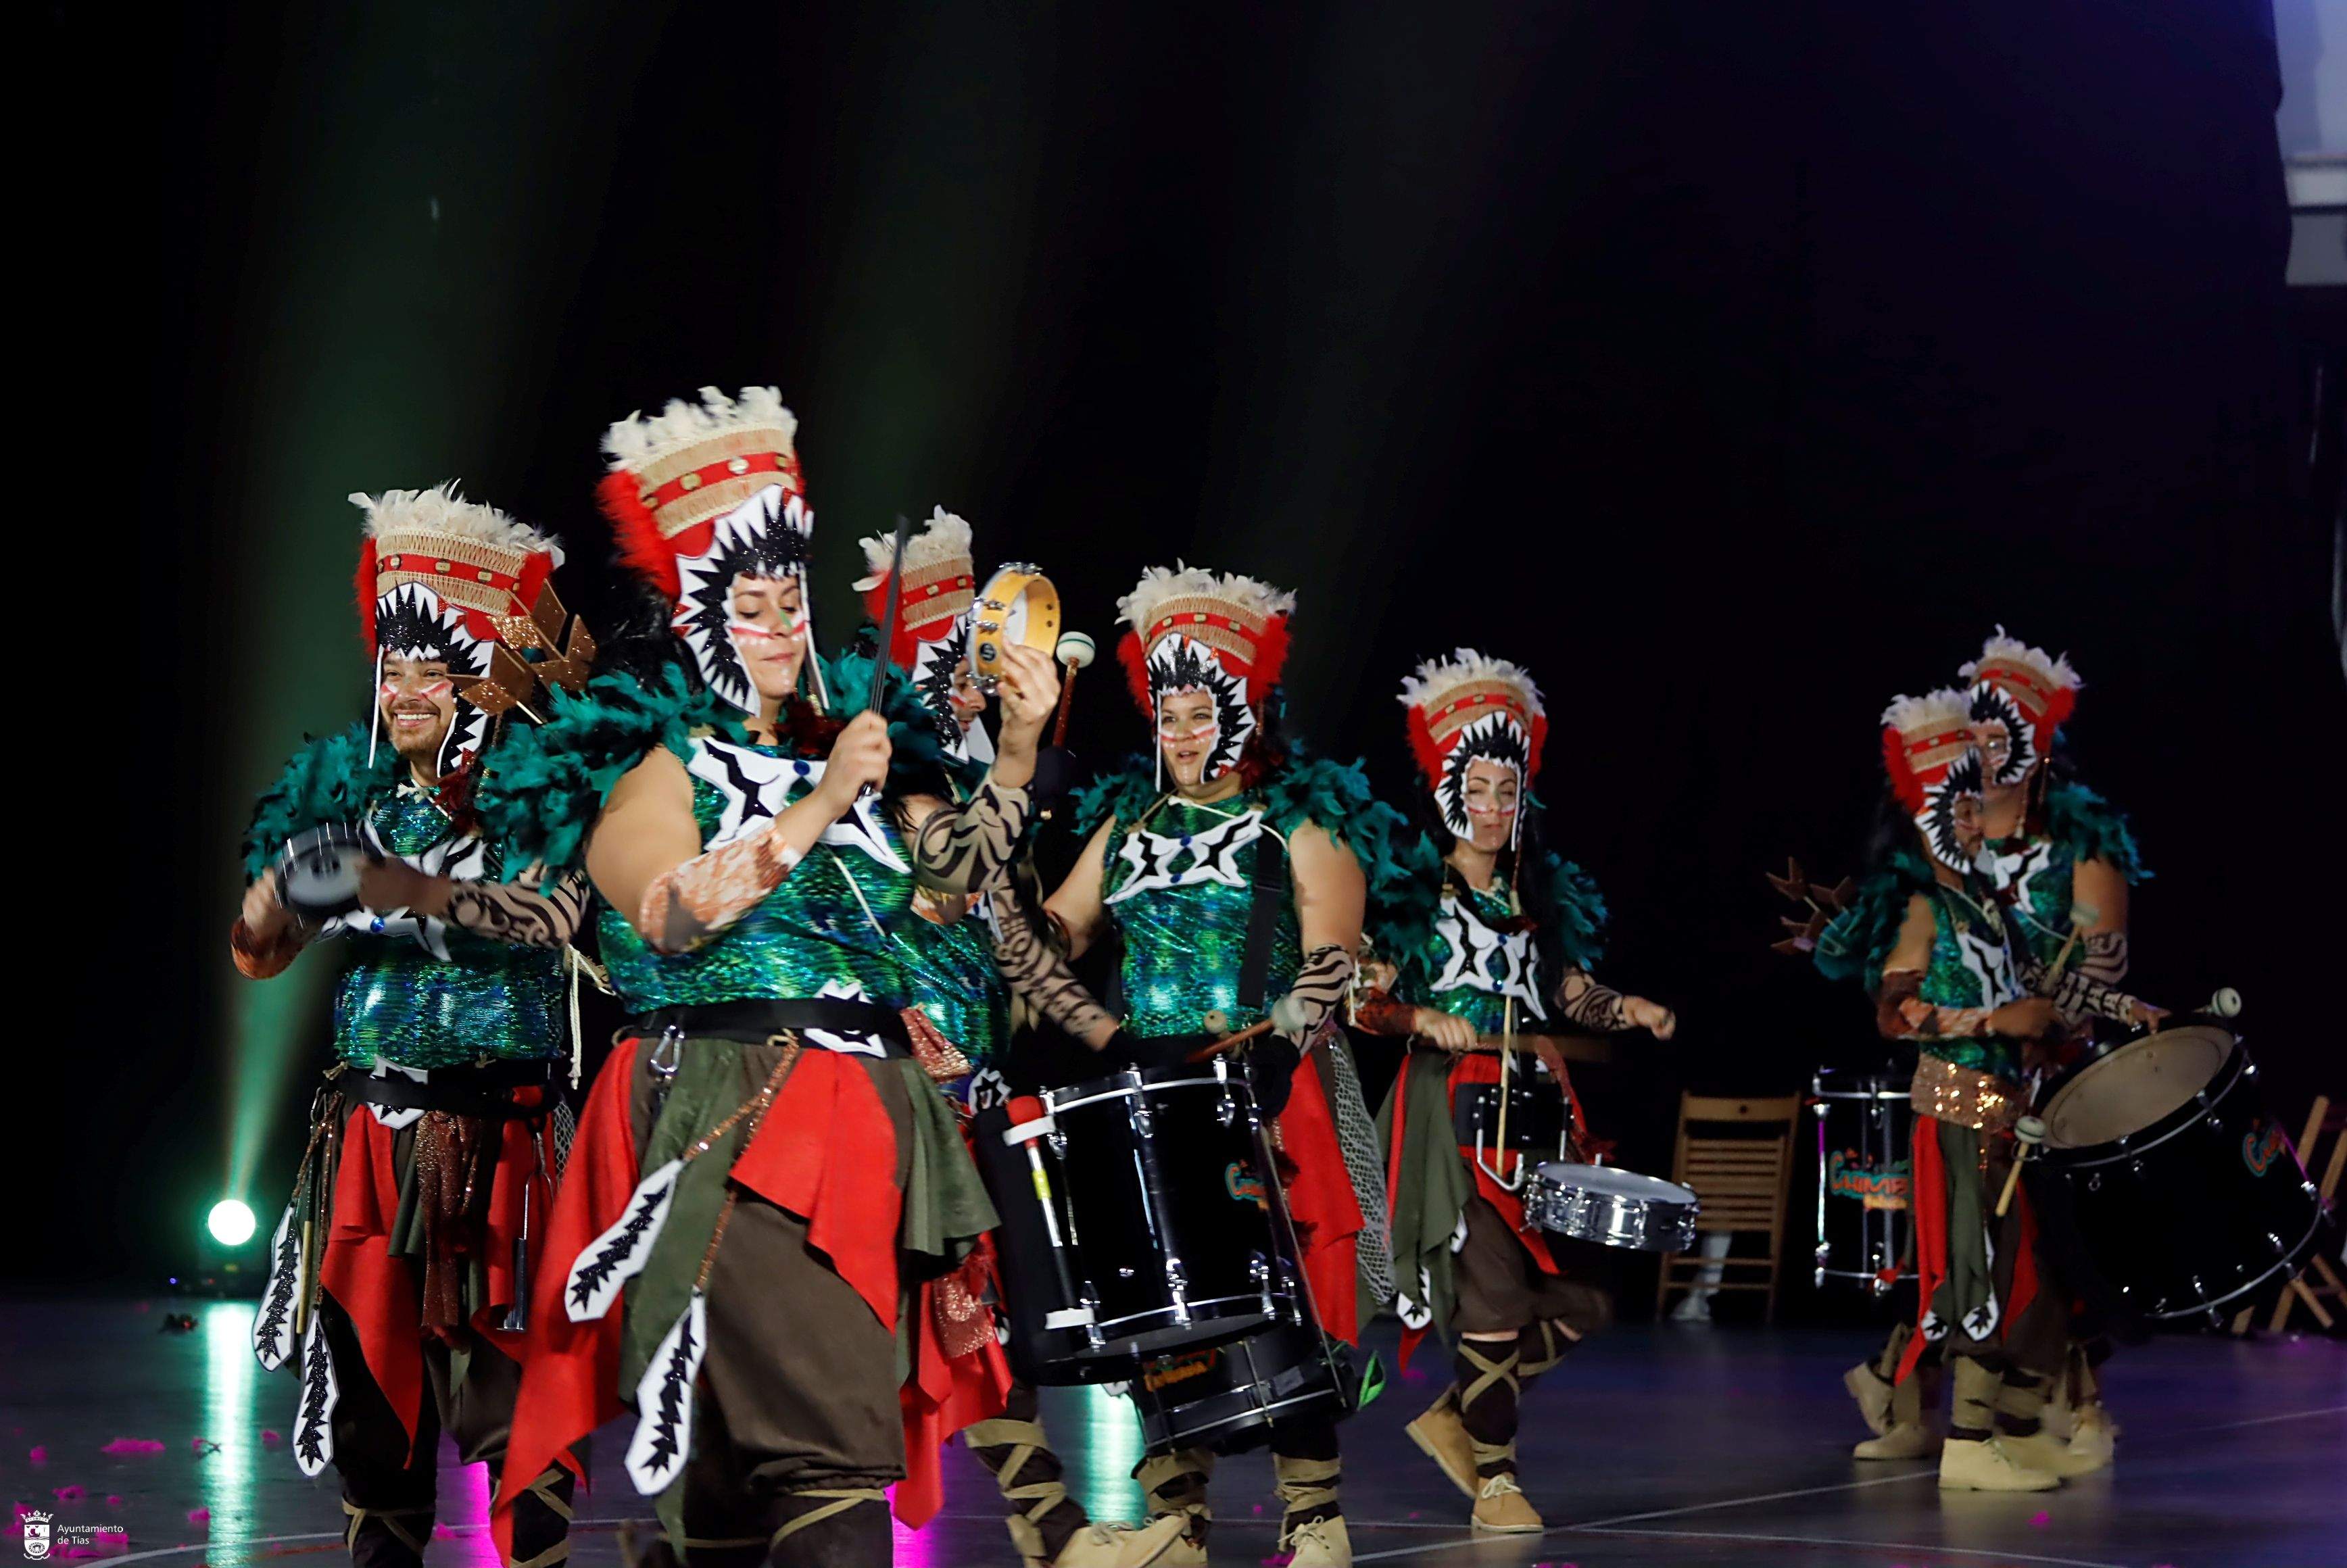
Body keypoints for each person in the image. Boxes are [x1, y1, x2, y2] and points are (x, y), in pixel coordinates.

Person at [479, 388, 1045, 1567]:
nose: (785, 626)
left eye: (793, 601)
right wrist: (824, 801)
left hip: (875, 1113)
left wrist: (1022, 749)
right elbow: (670, 914)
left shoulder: (868, 753)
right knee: (828, 1461)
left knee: (736, 1489)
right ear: (698, 618)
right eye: (752, 604)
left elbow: (951, 886)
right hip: (728, 1104)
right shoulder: (653, 767)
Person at [987, 565, 1405, 1568]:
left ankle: (1314, 1513)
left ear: (1240, 717)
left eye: (1192, 715)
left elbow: (1328, 965)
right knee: (1160, 1296)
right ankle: (1179, 1509)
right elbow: (1060, 932)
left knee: (1281, 1293)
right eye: (1163, 716)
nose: (1175, 735)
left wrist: (1268, 1070)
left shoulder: (1299, 831)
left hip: (1270, 1078)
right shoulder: (1126, 832)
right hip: (1150, 1082)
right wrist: (1004, 889)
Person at [234, 485, 585, 1568]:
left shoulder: (545, 797)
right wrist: (288, 888)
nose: (403, 689)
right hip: (370, 1147)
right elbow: (254, 954)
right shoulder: (353, 805)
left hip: (509, 1144)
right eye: (391, 668)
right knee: (374, 1433)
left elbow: (557, 916)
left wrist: (406, 890)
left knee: (523, 1426)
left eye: (429, 668)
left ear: (478, 682)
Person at [1351, 650, 1674, 1534]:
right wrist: (1419, 1021)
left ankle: (1458, 1416)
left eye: (1508, 790)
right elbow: (1361, 999)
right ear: (1450, 791)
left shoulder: (1536, 894)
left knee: (1588, 1302)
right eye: (1479, 788)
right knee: (1491, 1297)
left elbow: (1567, 992)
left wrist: (1627, 1009)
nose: (1494, 808)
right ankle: (1496, 1478)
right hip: (1448, 1118)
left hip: (1535, 1113)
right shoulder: (1413, 894)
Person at [1866, 689, 2153, 1492]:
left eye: (1969, 806)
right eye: (1948, 809)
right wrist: (1994, 1015)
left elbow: (2052, 988)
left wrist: (2132, 1009)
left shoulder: (1987, 906)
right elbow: (1898, 1012)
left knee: (2025, 1274)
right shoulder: (1922, 903)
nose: (1964, 821)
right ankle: (1963, 1443)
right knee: (1975, 1272)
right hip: (1955, 1100)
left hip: (2008, 1105)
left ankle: (2016, 1430)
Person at [1960, 629, 2154, 1472]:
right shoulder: (1943, 837)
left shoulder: (2081, 841)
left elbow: (2103, 960)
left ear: (2037, 747)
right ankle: (1940, 1407)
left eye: (2002, 736)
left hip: (2054, 1074)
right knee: (1967, 1243)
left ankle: (2040, 1406)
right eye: (1976, 733)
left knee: (2048, 1244)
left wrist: (2053, 1004)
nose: (1985, 751)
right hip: (1966, 1073)